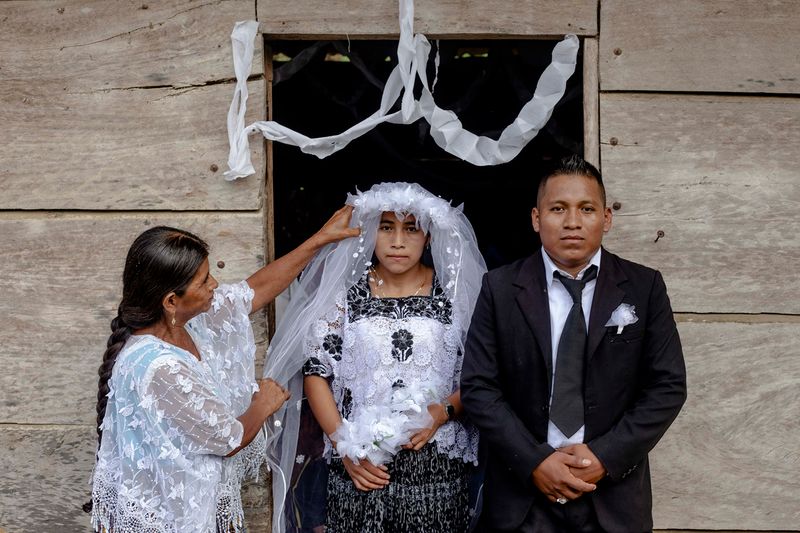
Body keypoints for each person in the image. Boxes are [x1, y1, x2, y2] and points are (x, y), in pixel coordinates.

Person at [86, 207, 359, 533]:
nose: (214, 284)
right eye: (204, 281)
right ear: (171, 301)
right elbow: (227, 438)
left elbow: (253, 292)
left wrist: (319, 240)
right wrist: (263, 402)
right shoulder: (160, 367)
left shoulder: (190, 321)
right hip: (164, 521)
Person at [460, 154, 687, 532]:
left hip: (612, 498)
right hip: (524, 499)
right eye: (558, 208)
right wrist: (534, 461)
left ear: (606, 218)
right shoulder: (500, 288)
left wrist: (604, 456)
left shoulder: (644, 287)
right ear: (536, 218)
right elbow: (479, 386)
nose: (572, 222)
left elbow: (667, 386)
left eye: (586, 209)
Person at [265, 182, 486, 533]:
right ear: (369, 232)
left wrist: (442, 413)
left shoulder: (457, 296)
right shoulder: (343, 298)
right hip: (359, 467)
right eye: (386, 227)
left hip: (436, 465)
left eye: (410, 228)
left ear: (429, 236)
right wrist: (344, 445)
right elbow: (317, 371)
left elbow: (482, 372)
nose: (397, 241)